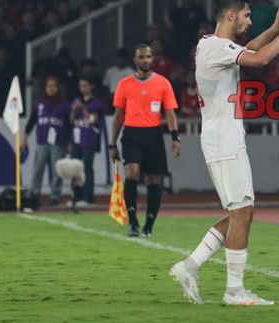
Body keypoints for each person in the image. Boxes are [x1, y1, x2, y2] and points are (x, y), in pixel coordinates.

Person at [169, 0, 279, 306]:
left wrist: (277, 27)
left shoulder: (210, 45)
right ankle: (234, 290)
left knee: (239, 212)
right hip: (223, 137)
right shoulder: (214, 47)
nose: (249, 21)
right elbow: (262, 58)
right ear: (230, 15)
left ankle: (190, 266)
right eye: (247, 15)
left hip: (222, 135)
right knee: (243, 211)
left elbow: (249, 49)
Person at [109, 44, 181, 238]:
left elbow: (170, 113)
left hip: (154, 135)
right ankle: (133, 222)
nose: (145, 60)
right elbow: (118, 116)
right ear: (135, 60)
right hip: (132, 134)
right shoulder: (124, 84)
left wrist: (175, 137)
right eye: (141, 57)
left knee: (153, 179)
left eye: (148, 57)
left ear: (152, 59)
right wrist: (112, 143)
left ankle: (149, 224)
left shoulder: (163, 83)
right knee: (132, 173)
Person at [23, 75, 72, 207]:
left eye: (54, 86)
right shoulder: (39, 103)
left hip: (59, 142)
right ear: (45, 88)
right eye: (49, 86)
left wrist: (69, 142)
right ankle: (34, 194)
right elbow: (32, 121)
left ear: (58, 87)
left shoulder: (65, 105)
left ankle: (55, 196)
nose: (51, 89)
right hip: (42, 141)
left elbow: (70, 125)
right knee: (37, 169)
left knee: (57, 171)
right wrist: (25, 136)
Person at [70, 77, 104, 207]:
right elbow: (71, 121)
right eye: (81, 86)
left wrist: (83, 108)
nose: (82, 88)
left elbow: (91, 120)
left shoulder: (96, 103)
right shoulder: (76, 101)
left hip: (89, 139)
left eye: (85, 85)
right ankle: (76, 197)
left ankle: (88, 197)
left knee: (87, 168)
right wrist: (73, 110)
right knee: (74, 168)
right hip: (76, 139)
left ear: (91, 87)